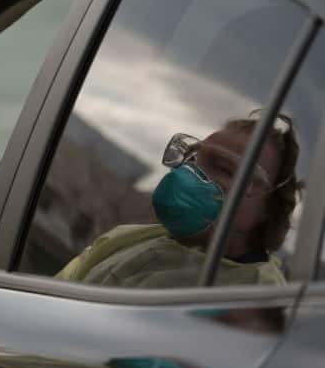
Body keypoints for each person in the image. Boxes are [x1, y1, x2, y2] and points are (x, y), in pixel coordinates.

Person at [56, 112, 301, 288]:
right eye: (193, 158)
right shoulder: (122, 239)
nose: (189, 171)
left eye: (223, 168)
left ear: (268, 208)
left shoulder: (259, 304)